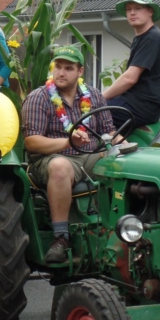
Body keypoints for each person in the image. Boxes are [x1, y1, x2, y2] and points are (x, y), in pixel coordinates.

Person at [23, 46, 116, 264]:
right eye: (57, 67)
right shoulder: (39, 97)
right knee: (61, 167)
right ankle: (61, 238)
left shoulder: (93, 95)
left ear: (80, 71)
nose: (61, 73)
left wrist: (124, 144)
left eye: (68, 68)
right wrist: (68, 141)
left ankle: (119, 229)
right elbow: (32, 142)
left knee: (120, 163)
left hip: (90, 155)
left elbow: (109, 131)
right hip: (51, 158)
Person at [102, 0, 160, 135]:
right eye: (129, 9)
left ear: (150, 11)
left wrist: (99, 98)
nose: (132, 13)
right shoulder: (143, 37)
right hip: (135, 102)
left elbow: (129, 78)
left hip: (141, 106)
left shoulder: (152, 38)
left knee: (92, 113)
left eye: (138, 8)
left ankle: (119, 146)